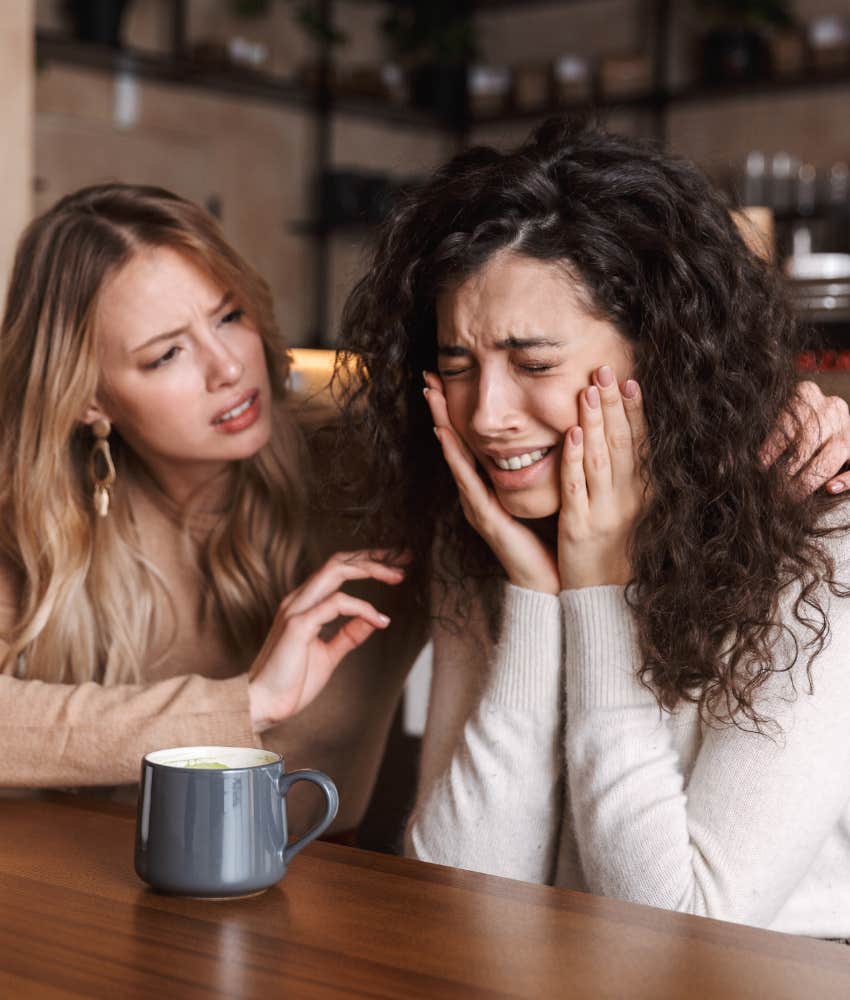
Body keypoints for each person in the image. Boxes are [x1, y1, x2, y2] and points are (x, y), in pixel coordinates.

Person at [333, 117, 850, 936]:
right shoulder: (489, 534)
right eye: (457, 367)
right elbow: (460, 897)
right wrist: (537, 595)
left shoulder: (818, 545)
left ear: (666, 355)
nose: (489, 415)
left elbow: (681, 929)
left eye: (535, 364)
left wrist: (600, 588)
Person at [0, 183, 426, 836]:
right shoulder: (35, 512)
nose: (228, 366)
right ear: (89, 398)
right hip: (83, 905)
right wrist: (246, 703)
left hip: (328, 903)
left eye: (229, 316)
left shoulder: (374, 477)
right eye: (167, 353)